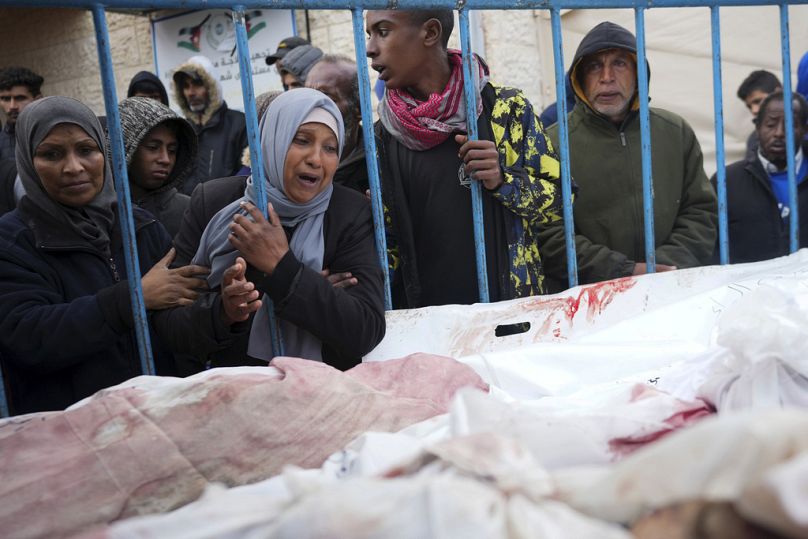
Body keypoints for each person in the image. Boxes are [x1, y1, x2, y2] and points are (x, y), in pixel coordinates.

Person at [0, 96, 220, 415]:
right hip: (72, 430)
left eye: (86, 150)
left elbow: (177, 324)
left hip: (158, 417)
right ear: (27, 162)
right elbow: (28, 337)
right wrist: (133, 299)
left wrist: (225, 313)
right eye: (51, 154)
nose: (73, 167)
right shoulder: (12, 241)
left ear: (105, 153)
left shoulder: (140, 227)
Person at [366, 9, 565, 308]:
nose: (370, 47)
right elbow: (388, 250)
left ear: (430, 33)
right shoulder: (382, 137)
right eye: (369, 34)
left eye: (382, 31)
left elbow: (561, 206)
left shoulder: (505, 110)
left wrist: (503, 180)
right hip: (427, 328)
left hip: (510, 317)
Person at [192, 88, 385, 369]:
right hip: (234, 388)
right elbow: (174, 325)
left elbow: (364, 330)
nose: (316, 159)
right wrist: (224, 313)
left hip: (318, 390)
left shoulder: (348, 213)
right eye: (302, 140)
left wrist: (284, 268)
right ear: (273, 140)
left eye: (330, 148)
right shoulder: (214, 202)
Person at [542, 21, 717, 286]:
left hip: (672, 289)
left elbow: (700, 212)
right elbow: (549, 234)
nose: (607, 77)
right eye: (594, 66)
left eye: (620, 63)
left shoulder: (675, 131)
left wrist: (662, 267)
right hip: (590, 298)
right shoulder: (554, 143)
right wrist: (623, 271)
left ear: (638, 73)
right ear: (578, 78)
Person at [713, 91, 808, 263]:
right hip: (747, 287)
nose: (779, 133)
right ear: (757, 127)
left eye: (790, 124)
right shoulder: (727, 181)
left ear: (804, 129)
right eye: (771, 125)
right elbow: (710, 245)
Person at [119, 96, 197, 237]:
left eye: (172, 151)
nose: (165, 160)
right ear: (126, 147)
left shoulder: (189, 211)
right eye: (153, 147)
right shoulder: (101, 214)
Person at [171, 55, 247, 195]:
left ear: (212, 87)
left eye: (197, 84)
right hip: (187, 213)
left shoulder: (239, 124)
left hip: (226, 212)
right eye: (186, 86)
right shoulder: (181, 130)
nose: (191, 92)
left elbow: (247, 173)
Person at [306, 55, 368, 193]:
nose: (311, 105)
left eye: (326, 97)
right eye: (308, 95)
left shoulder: (379, 163)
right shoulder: (289, 159)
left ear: (359, 108)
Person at [0, 67, 43, 161]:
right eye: (6, 99)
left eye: (20, 98)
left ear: (37, 99)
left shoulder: (54, 134)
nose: (12, 106)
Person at [737, 70, 782, 161]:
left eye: (757, 101)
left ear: (778, 92)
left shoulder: (803, 125)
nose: (754, 110)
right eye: (749, 106)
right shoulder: (754, 139)